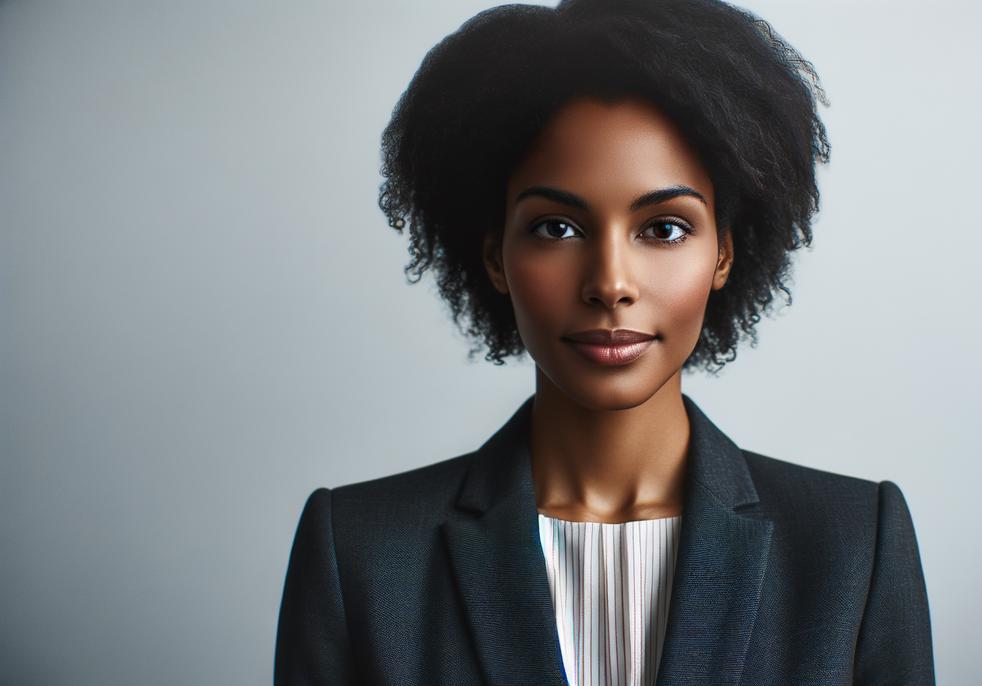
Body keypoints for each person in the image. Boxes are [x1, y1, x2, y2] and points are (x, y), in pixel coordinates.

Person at [274, 0, 935, 684]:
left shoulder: (852, 547)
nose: (610, 283)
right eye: (556, 228)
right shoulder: (360, 553)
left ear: (725, 254)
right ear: (496, 256)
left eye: (664, 228)